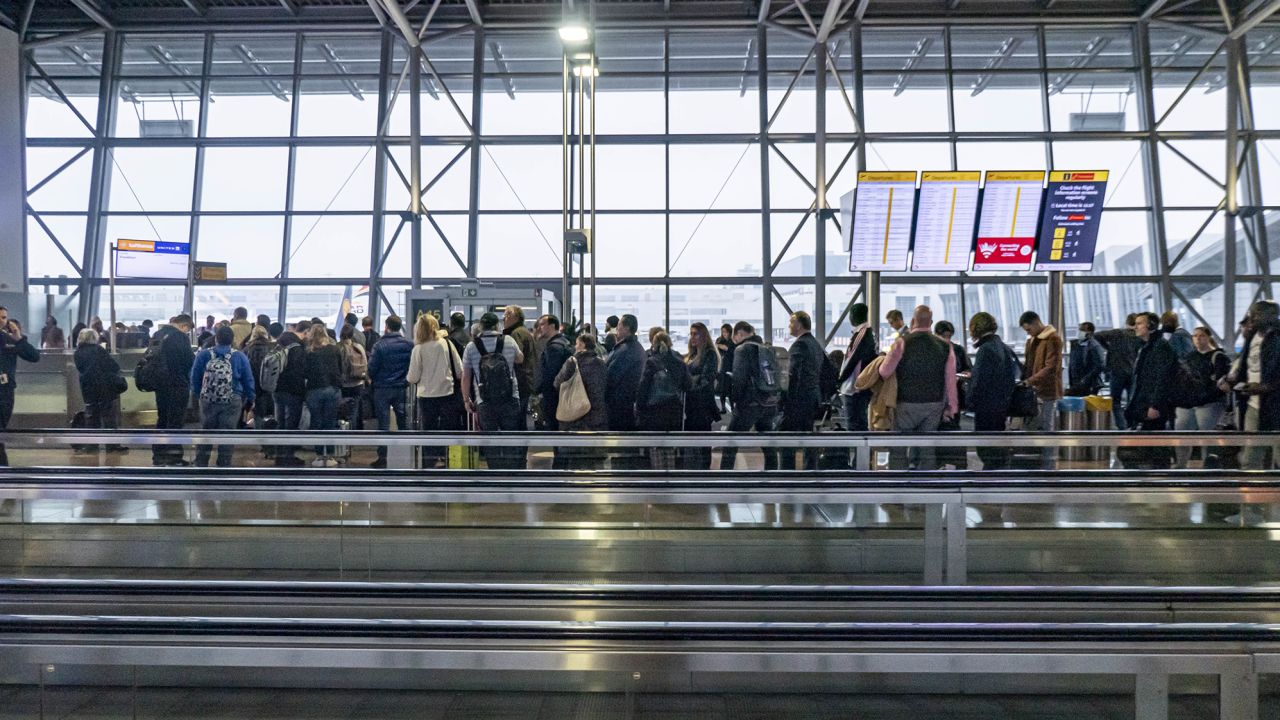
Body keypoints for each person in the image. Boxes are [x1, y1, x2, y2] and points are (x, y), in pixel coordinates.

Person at [877, 306, 957, 470]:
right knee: (927, 449)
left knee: (898, 447)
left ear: (913, 321)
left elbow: (884, 372)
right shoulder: (945, 346)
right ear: (931, 323)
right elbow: (950, 380)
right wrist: (952, 407)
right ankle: (926, 486)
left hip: (905, 403)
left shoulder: (902, 343)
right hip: (934, 404)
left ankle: (898, 485)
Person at [462, 312, 525, 469]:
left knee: (489, 439)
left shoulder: (471, 347)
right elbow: (520, 358)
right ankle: (511, 473)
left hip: (484, 400)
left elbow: (466, 376)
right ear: (498, 325)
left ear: (481, 326)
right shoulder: (509, 341)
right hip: (510, 397)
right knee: (511, 436)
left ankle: (495, 472)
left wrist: (466, 399)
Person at [1222, 300, 1280, 469]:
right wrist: (1233, 380)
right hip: (1254, 405)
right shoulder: (1252, 336)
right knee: (1251, 456)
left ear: (1270, 316)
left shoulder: (1277, 338)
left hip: (1275, 404)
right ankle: (1253, 492)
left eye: (1256, 314)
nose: (1252, 317)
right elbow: (1245, 365)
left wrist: (1265, 387)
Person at [190, 325, 255, 468]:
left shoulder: (203, 355)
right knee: (227, 434)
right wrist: (251, 398)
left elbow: (194, 378)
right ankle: (223, 465)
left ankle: (201, 464)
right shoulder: (239, 356)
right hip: (232, 399)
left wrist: (199, 395)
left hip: (208, 400)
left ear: (216, 339)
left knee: (206, 432)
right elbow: (248, 380)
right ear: (232, 340)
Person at [719, 321, 781, 471]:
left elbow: (739, 378)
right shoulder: (766, 348)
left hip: (749, 404)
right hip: (769, 402)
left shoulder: (742, 349)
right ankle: (772, 475)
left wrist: (735, 401)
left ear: (739, 334)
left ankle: (724, 477)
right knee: (768, 444)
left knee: (731, 441)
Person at [406, 313, 463, 466]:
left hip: (426, 396)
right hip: (447, 393)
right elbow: (459, 370)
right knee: (447, 429)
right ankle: (449, 459)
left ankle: (429, 462)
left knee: (428, 430)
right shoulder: (447, 344)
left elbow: (412, 377)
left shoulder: (418, 349)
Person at [1124, 311, 1178, 468]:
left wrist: (1155, 405)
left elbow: (1163, 379)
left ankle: (1160, 477)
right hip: (1144, 404)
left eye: (1140, 323)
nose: (1136, 327)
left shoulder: (1160, 348)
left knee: (1156, 446)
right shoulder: (1147, 347)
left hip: (1153, 406)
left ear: (1151, 326)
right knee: (1149, 446)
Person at [1173, 326, 1231, 468]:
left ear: (1208, 338)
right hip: (1190, 402)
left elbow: (1221, 383)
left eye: (1202, 335)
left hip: (1209, 403)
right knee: (1182, 435)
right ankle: (1181, 464)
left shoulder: (1218, 357)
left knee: (1208, 439)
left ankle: (1210, 467)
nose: (1198, 338)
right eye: (1195, 336)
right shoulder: (1190, 357)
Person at [966, 312, 1016, 470]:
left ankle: (989, 480)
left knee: (986, 448)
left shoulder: (985, 349)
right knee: (997, 445)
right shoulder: (1003, 347)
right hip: (1001, 405)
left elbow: (980, 381)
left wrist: (970, 401)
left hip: (986, 407)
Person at [637, 330, 693, 469]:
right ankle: (670, 476)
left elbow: (643, 387)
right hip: (674, 411)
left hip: (654, 412)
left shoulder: (651, 362)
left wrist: (639, 408)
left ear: (654, 345)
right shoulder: (679, 362)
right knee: (669, 446)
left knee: (656, 447)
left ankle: (659, 477)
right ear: (670, 343)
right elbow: (688, 385)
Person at [145, 314, 195, 467]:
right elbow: (189, 361)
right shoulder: (180, 337)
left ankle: (158, 455)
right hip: (177, 384)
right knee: (175, 421)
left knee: (162, 419)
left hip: (160, 385)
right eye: (187, 330)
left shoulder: (157, 335)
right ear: (184, 326)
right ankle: (174, 456)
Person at [554, 334, 610, 468]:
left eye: (577, 343)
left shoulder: (572, 362)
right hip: (596, 418)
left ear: (583, 345)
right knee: (595, 461)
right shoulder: (601, 363)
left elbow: (557, 383)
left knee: (575, 461)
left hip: (575, 417)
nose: (575, 346)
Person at [366, 315, 413, 469]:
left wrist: (372, 378)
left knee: (383, 424)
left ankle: (383, 457)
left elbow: (371, 368)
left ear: (387, 326)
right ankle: (405, 455)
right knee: (403, 422)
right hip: (400, 387)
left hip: (382, 389)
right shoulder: (408, 344)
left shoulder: (379, 345)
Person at [781, 311, 825, 470]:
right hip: (813, 397)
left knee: (787, 439)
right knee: (808, 438)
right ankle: (810, 471)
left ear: (798, 325)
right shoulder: (815, 344)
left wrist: (787, 401)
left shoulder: (799, 345)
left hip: (799, 400)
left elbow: (794, 376)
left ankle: (787, 474)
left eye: (791, 322)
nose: (789, 326)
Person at [73, 328, 127, 454]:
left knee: (92, 417)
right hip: (104, 388)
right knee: (108, 417)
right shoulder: (98, 350)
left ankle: (92, 445)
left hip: (87, 388)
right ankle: (112, 445)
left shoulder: (78, 353)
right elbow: (113, 366)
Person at [1019, 311, 1063, 466]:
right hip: (1034, 391)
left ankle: (1048, 466)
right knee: (1036, 427)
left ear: (1037, 322)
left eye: (1029, 329)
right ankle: (1037, 464)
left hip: (1047, 391)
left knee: (1047, 429)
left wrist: (1029, 381)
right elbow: (1028, 365)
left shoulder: (1053, 339)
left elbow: (1051, 367)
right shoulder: (1032, 340)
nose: (1028, 332)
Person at [0, 313, 44, 462]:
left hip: (5, 392)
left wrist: (19, 339)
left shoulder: (9, 339)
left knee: (2, 431)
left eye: (4, 317)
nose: (2, 320)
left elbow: (34, 356)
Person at [304, 323, 344, 467]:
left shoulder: (309, 352)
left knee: (316, 422)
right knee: (330, 422)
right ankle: (330, 455)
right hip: (332, 390)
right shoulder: (334, 350)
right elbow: (340, 369)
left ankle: (319, 456)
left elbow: (305, 373)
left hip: (314, 391)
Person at [683, 322, 722, 469]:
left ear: (703, 336)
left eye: (696, 334)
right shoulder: (691, 355)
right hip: (690, 405)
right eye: (691, 333)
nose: (692, 337)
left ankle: (705, 471)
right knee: (691, 440)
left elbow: (707, 379)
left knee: (703, 441)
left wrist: (691, 384)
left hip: (702, 405)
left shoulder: (709, 354)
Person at [269, 325, 308, 467]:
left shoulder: (277, 347)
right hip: (294, 392)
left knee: (280, 423)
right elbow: (302, 372)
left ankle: (279, 455)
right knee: (291, 424)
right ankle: (289, 455)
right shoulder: (297, 349)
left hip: (277, 391)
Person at [838, 303, 878, 434]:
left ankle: (858, 454)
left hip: (854, 387)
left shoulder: (862, 334)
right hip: (861, 386)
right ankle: (861, 454)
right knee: (860, 423)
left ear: (854, 316)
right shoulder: (869, 333)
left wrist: (840, 379)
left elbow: (852, 360)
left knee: (853, 425)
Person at [1096, 314, 1140, 430]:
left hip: (1117, 371)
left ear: (1126, 322)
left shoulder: (1117, 333)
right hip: (1133, 372)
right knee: (1133, 400)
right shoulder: (1139, 336)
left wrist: (1109, 348)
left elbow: (1097, 336)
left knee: (1115, 401)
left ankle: (1122, 426)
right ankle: (1133, 425)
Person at [604, 314, 645, 432]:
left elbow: (611, 376)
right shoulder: (633, 348)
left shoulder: (626, 351)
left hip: (620, 406)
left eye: (619, 325)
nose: (617, 328)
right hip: (625, 404)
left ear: (627, 328)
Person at [534, 314, 573, 431]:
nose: (539, 327)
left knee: (553, 428)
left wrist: (542, 390)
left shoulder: (554, 347)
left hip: (554, 396)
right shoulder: (564, 342)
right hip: (563, 394)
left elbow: (551, 374)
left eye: (542, 324)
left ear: (552, 326)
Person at [503, 305, 537, 425]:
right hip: (527, 379)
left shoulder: (516, 333)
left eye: (507, 315)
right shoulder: (525, 331)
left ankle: (519, 443)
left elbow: (517, 357)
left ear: (515, 317)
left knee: (517, 417)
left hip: (520, 380)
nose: (504, 318)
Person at [242, 325, 277, 436]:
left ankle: (258, 434)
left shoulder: (246, 350)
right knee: (270, 411)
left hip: (252, 384)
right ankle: (268, 436)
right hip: (269, 385)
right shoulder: (273, 349)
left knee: (256, 411)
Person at [933, 320, 972, 417]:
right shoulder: (931, 350)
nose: (947, 340)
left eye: (949, 336)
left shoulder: (958, 350)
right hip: (937, 395)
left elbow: (968, 369)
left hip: (954, 391)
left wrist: (962, 375)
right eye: (944, 336)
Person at [338, 324, 368, 431]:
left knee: (342, 410)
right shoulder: (359, 347)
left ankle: (342, 435)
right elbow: (365, 363)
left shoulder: (338, 347)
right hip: (358, 383)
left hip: (343, 384)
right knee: (354, 411)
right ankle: (353, 436)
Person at [1067, 322, 1106, 397]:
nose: (1079, 332)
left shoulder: (1094, 346)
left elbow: (1100, 365)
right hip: (1076, 382)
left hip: (1089, 383)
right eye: (1079, 329)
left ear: (1090, 332)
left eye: (1082, 330)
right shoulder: (1076, 345)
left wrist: (1086, 379)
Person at [715, 323, 736, 412]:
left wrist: (726, 348)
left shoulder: (733, 341)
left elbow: (733, 352)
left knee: (730, 389)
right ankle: (723, 407)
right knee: (722, 388)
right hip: (722, 366)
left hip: (730, 366)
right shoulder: (719, 340)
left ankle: (732, 407)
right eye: (723, 332)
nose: (724, 334)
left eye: (726, 332)